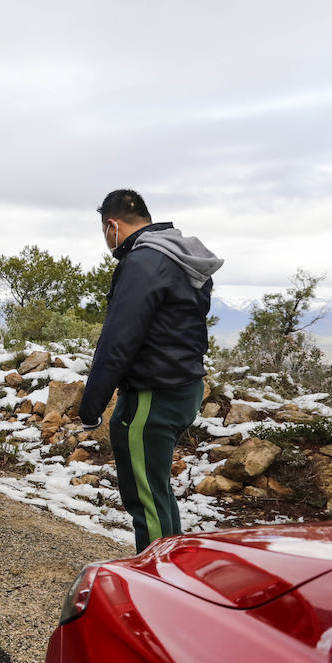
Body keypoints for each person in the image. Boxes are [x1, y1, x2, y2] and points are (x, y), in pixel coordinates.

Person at [78, 190, 224, 552]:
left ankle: (159, 583)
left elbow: (119, 339)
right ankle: (173, 566)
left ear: (112, 225)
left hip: (153, 394)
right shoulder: (179, 256)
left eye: (104, 231)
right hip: (183, 385)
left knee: (145, 496)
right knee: (156, 490)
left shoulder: (144, 262)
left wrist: (91, 404)